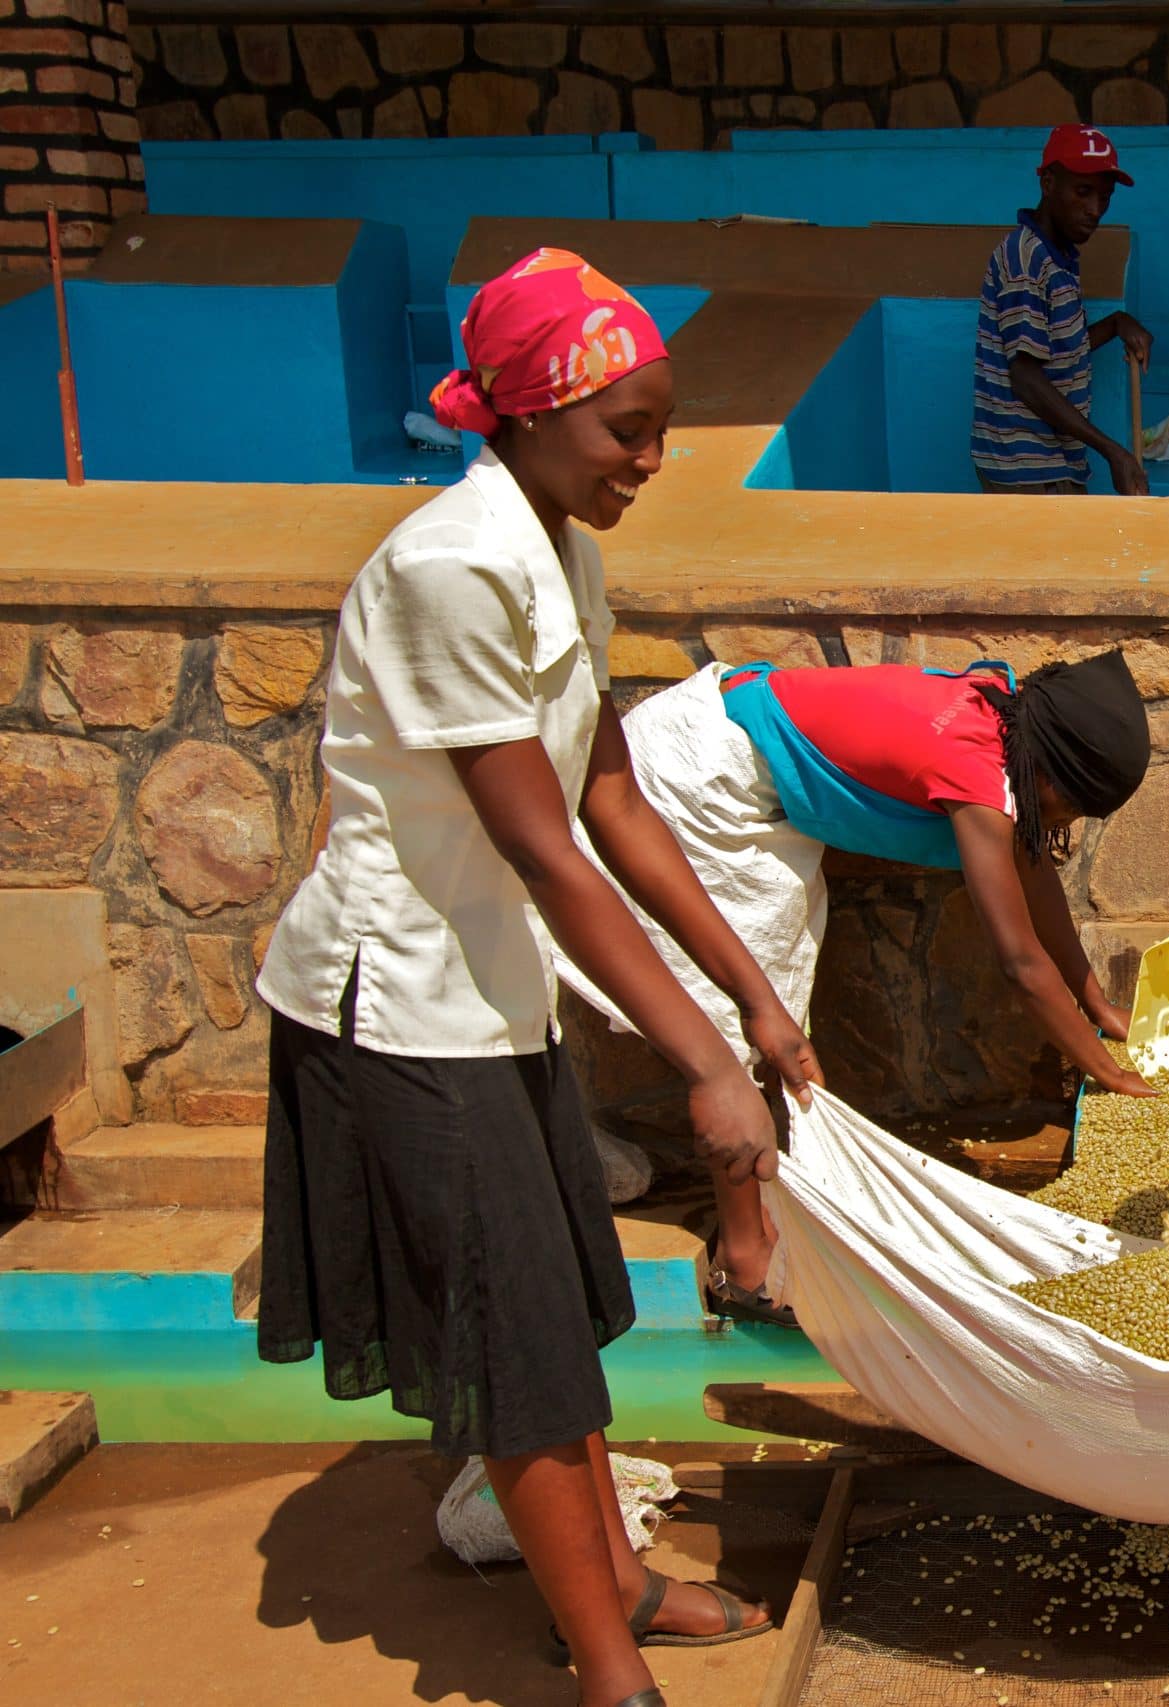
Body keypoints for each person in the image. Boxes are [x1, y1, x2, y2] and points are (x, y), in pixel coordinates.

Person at [254, 251, 812, 1707]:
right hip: (400, 1007)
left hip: (488, 990)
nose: (652, 456)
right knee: (518, 1343)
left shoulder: (558, 544)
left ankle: (606, 1583)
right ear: (530, 413)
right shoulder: (449, 568)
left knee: (551, 1308)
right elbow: (542, 840)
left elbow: (614, 789)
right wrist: (700, 1062)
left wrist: (751, 995)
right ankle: (610, 1662)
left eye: (659, 424)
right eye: (626, 425)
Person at [555, 649, 1159, 1325]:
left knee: (767, 994)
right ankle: (744, 1260)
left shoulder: (1004, 718)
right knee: (730, 1019)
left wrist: (1099, 1003)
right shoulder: (974, 767)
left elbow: (1032, 868)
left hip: (742, 763)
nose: (1068, 827)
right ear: (1052, 775)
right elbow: (1020, 962)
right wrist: (1103, 1067)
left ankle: (763, 1213)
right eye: (1074, 808)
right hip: (701, 778)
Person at [970, 122, 1155, 496]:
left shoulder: (1058, 257)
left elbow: (1054, 351)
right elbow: (1026, 378)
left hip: (1048, 462)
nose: (1095, 210)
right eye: (1083, 192)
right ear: (1048, 183)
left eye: (1104, 197)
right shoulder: (1026, 262)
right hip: (1026, 468)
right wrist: (1113, 452)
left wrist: (1116, 323)